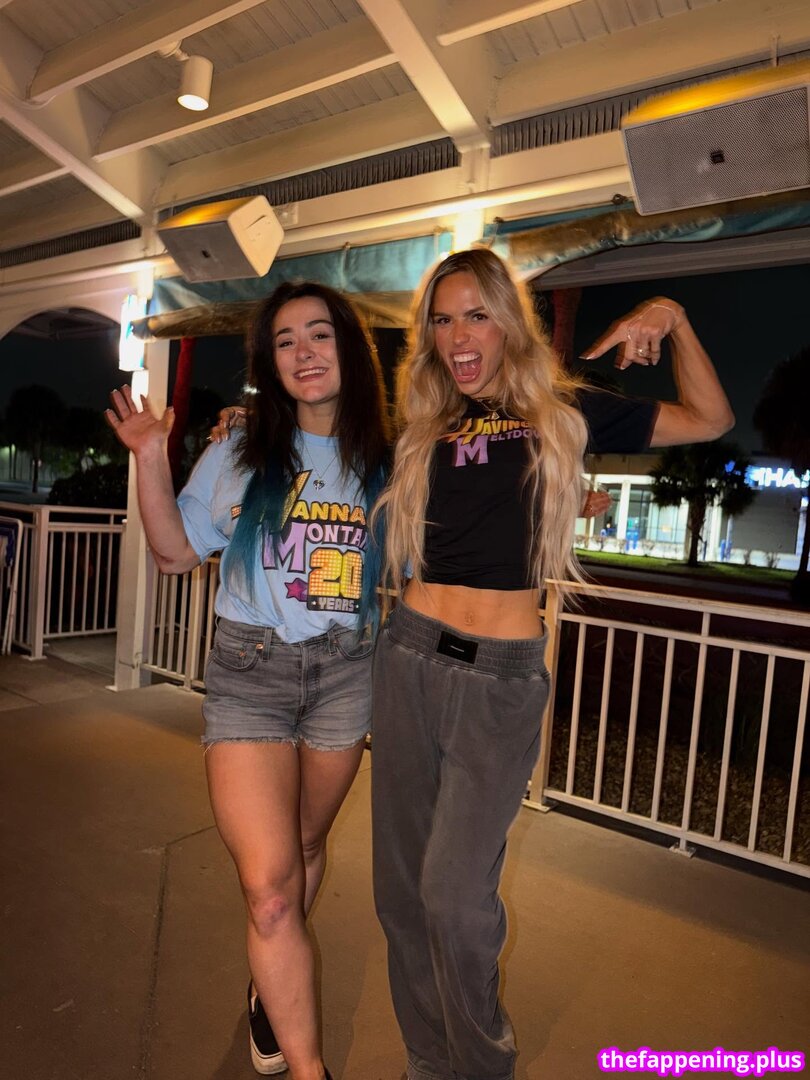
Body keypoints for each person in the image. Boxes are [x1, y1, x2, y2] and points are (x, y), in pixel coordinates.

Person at [370, 247, 733, 1080]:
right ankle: (428, 1062)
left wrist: (673, 318)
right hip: (410, 657)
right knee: (401, 895)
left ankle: (481, 1065)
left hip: (499, 677)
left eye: (476, 315)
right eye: (442, 320)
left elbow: (710, 418)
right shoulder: (423, 420)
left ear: (508, 321)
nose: (458, 336)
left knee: (453, 898)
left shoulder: (563, 411)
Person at [105, 281, 390, 1080]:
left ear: (350, 349)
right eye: (286, 340)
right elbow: (174, 552)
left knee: (305, 845)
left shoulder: (391, 460)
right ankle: (309, 1068)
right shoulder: (239, 450)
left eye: (320, 334)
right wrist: (150, 457)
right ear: (270, 361)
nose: (304, 351)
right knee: (268, 890)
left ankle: (271, 989)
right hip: (250, 672)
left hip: (344, 674)